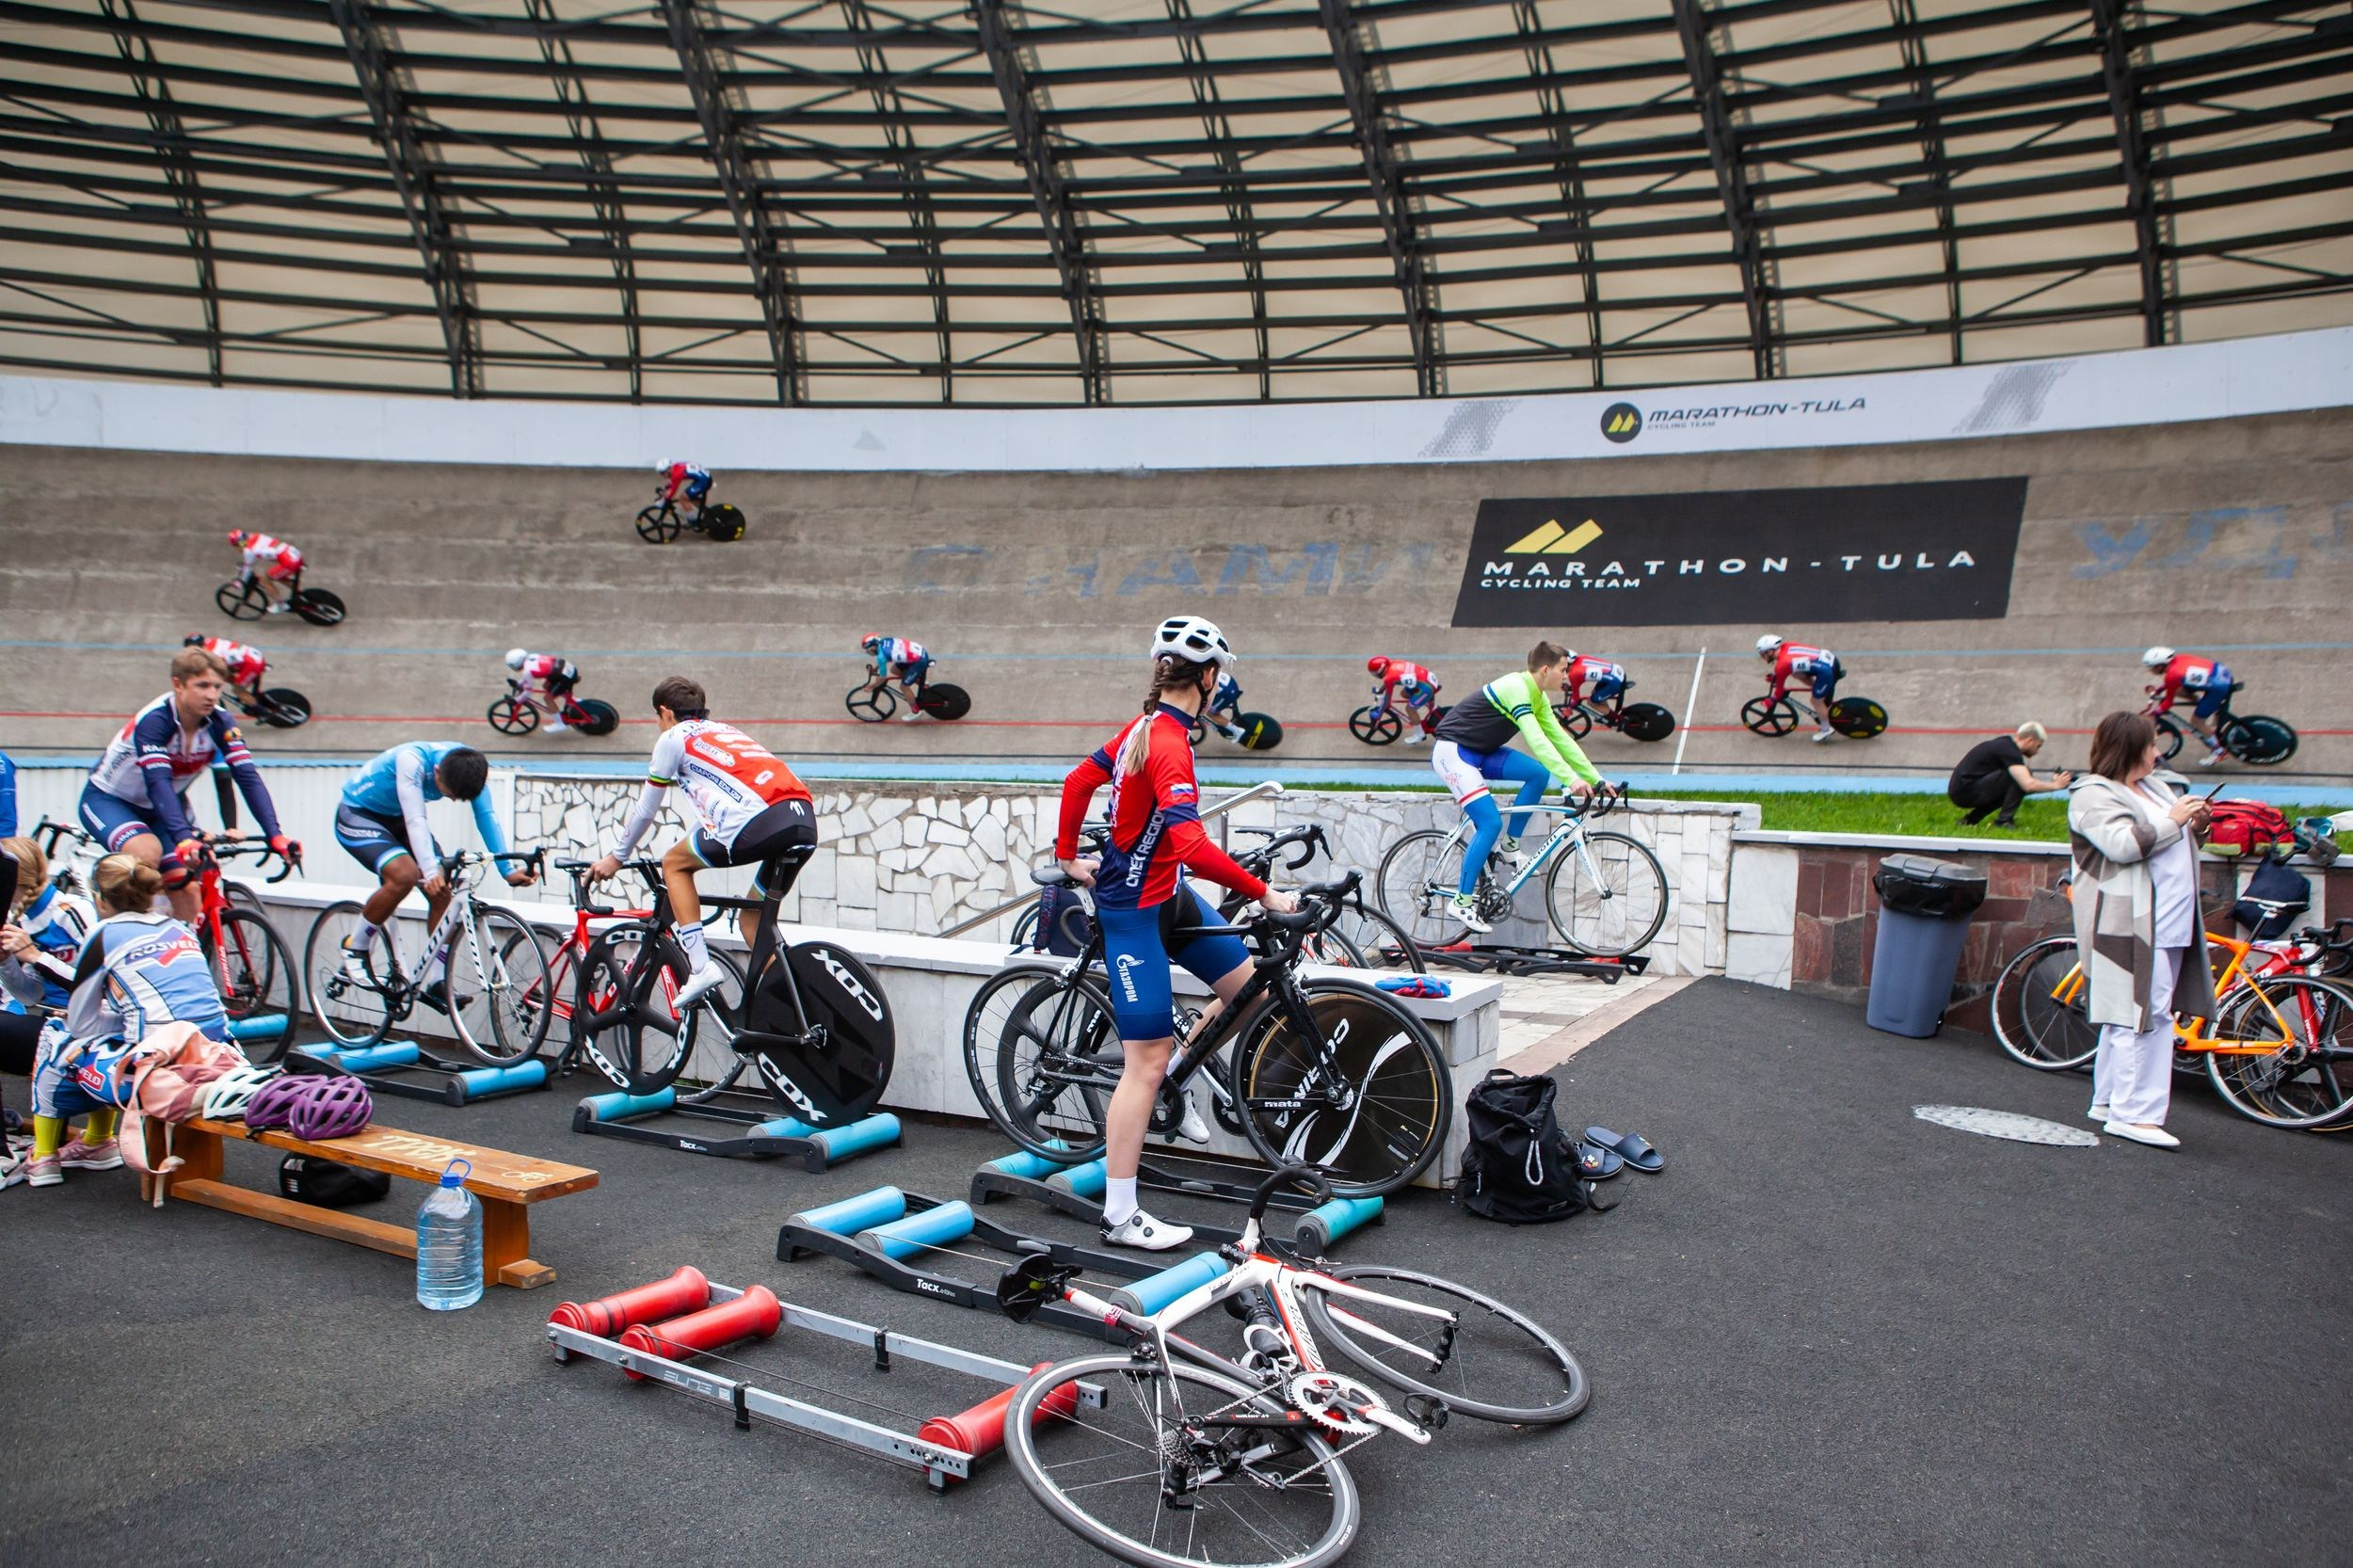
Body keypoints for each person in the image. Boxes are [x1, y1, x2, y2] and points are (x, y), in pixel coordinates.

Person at [1055, 616, 1298, 1251]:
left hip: (1168, 896)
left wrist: (1066, 853)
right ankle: (1120, 1214)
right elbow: (1189, 840)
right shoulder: (1163, 740)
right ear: (1210, 678)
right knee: (1145, 1062)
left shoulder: (1150, 728)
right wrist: (1264, 892)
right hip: (1132, 911)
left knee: (1254, 990)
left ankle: (1179, 1073)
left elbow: (1080, 780)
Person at [589, 677, 816, 1011]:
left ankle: (699, 967)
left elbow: (646, 809)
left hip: (756, 820)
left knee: (674, 864)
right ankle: (797, 1009)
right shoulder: (723, 731)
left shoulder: (672, 738)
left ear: (665, 712)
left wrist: (616, 857)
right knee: (752, 922)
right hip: (802, 820)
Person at [21, 853, 230, 1188]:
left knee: (56, 1034)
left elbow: (82, 1025)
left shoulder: (104, 933)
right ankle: (95, 1143)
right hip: (220, 1057)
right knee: (116, 1033)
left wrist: (121, 1023)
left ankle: (45, 1157)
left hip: (156, 1072)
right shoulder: (178, 926)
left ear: (101, 899)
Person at [2068, 711, 2214, 1149]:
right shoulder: (2091, 795)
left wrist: (2196, 825)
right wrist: (2174, 819)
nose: (2158, 752)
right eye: (2152, 744)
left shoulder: (2155, 786)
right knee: (2144, 1016)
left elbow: (2172, 842)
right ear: (2132, 748)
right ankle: (2136, 1115)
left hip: (2165, 921)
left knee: (2135, 1013)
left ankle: (2111, 1101)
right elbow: (2124, 845)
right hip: (2127, 924)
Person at [79, 648, 295, 922]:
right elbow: (158, 782)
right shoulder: (156, 721)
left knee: (189, 890)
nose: (212, 695)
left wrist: (275, 834)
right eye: (202, 686)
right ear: (178, 685)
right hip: (110, 800)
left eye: (217, 686)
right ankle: (125, 935)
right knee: (147, 853)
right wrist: (183, 836)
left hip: (159, 808)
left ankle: (186, 957)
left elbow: (247, 777)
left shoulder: (221, 722)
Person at [332, 743, 533, 1005]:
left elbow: (486, 816)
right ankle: (354, 947)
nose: (450, 799)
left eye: (456, 798)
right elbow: (416, 819)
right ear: (436, 771)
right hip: (359, 815)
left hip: (398, 819)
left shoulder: (470, 768)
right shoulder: (411, 762)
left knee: (443, 893)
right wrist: (429, 871)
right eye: (446, 793)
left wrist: (507, 870)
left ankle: (437, 980)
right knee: (405, 875)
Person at [1428, 642, 1607, 934]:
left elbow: (1560, 740)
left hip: (1481, 751)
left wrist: (1595, 777)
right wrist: (1570, 780)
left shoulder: (1539, 696)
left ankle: (1510, 848)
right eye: (1564, 670)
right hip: (1454, 753)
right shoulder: (1516, 688)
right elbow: (1537, 741)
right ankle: (1460, 901)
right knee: (1489, 823)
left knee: (1537, 774)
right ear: (1546, 669)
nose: (1567, 677)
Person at [1, 837, 93, 1186]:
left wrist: (36, 955)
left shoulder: (72, 911)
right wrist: (9, 962)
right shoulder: (17, 919)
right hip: (49, 1025)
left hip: (92, 1027)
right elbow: (30, 994)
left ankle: (14, 1154)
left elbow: (103, 985)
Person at [1946, 722, 2074, 827]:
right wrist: (2055, 786)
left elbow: (2020, 790)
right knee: (2020, 776)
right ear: (2030, 740)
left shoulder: (2005, 745)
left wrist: (2054, 784)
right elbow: (2027, 785)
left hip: (1962, 791)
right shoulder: (2009, 751)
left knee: (2014, 783)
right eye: (2038, 746)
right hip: (1965, 793)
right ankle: (2004, 821)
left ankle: (1969, 821)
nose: (2037, 752)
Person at [2142, 647, 2233, 767]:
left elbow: (2168, 703)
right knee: (2179, 690)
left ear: (2160, 666)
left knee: (2197, 721)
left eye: (2151, 667)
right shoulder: (2178, 659)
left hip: (2218, 687)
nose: (2150, 670)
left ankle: (2219, 751)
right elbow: (2174, 682)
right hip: (2221, 673)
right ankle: (2205, 704)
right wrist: (2159, 690)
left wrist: (2156, 713)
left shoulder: (2172, 675)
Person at [1754, 634, 1846, 743]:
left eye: (1762, 653)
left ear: (1770, 651)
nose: (1762, 656)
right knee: (1796, 673)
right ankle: (1819, 689)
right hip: (1831, 660)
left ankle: (1826, 730)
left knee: (1816, 701)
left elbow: (1779, 691)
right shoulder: (1786, 646)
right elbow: (1791, 667)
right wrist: (1777, 677)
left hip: (1826, 671)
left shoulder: (1782, 664)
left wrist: (1771, 700)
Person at [1366, 656, 1443, 744]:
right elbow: (1388, 684)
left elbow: (1387, 699)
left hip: (1426, 687)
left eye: (1375, 673)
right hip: (1427, 678)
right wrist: (1380, 691)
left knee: (1410, 709)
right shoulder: (1393, 663)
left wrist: (1382, 708)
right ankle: (1432, 707)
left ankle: (1420, 734)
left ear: (1379, 670)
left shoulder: (1389, 677)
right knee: (1404, 694)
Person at [859, 634, 933, 723]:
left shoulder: (881, 656)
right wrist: (876, 668)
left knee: (903, 687)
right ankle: (920, 682)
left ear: (873, 647)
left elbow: (883, 677)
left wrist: (871, 686)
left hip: (919, 661)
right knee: (894, 670)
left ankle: (916, 711)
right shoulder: (884, 641)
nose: (868, 652)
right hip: (917, 653)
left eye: (868, 650)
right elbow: (886, 657)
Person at [226, 529, 303, 614]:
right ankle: (301, 594)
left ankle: (281, 605)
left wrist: (240, 582)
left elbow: (247, 568)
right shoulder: (255, 535)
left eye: (235, 547)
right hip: (294, 554)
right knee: (276, 576)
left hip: (289, 561)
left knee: (265, 580)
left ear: (237, 544)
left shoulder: (248, 550)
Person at [504, 648, 581, 731]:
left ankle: (559, 724)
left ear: (516, 664)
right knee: (546, 686)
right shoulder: (532, 656)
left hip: (563, 677)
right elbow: (527, 678)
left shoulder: (527, 671)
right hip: (565, 668)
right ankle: (574, 700)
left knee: (548, 698)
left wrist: (516, 700)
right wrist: (518, 684)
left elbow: (528, 692)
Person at [184, 633, 267, 701]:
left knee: (238, 690)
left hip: (252, 664)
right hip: (251, 656)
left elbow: (219, 668)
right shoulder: (208, 641)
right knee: (229, 675)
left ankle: (264, 713)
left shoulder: (211, 654)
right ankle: (257, 695)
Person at [1561, 650, 1632, 717]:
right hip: (1617, 671)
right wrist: (1571, 687)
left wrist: (1569, 709)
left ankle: (1616, 719)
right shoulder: (1580, 658)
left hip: (1615, 683)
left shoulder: (1574, 674)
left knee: (1591, 701)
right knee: (1595, 693)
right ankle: (1607, 714)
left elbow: (1575, 697)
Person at [656, 460, 712, 525]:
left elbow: (672, 493)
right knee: (691, 497)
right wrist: (666, 487)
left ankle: (693, 520)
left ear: (668, 470)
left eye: (662, 473)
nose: (662, 475)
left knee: (683, 498)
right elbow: (673, 481)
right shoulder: (675, 467)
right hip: (704, 478)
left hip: (703, 481)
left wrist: (664, 500)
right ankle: (708, 513)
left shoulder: (676, 474)